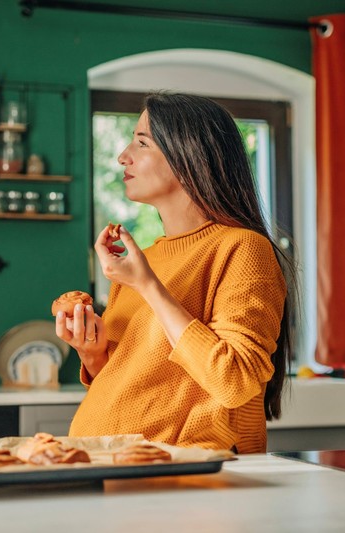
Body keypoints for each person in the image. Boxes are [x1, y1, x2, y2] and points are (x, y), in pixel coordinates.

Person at [56, 92, 297, 454]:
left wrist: (148, 286)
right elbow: (137, 386)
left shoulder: (242, 249)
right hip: (109, 468)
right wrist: (92, 354)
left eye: (141, 143)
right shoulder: (144, 260)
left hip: (188, 482)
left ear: (189, 157)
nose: (124, 155)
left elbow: (233, 380)